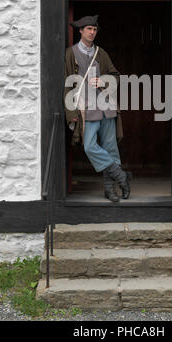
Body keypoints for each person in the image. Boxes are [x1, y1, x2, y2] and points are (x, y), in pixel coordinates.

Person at [64, 14, 132, 202]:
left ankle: (110, 191)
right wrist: (71, 112)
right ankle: (121, 176)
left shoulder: (100, 53)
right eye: (89, 29)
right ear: (80, 31)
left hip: (106, 106)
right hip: (86, 109)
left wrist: (103, 80)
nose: (92, 32)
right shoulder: (71, 53)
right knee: (89, 146)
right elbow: (67, 85)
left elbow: (116, 76)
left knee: (111, 148)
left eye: (94, 30)